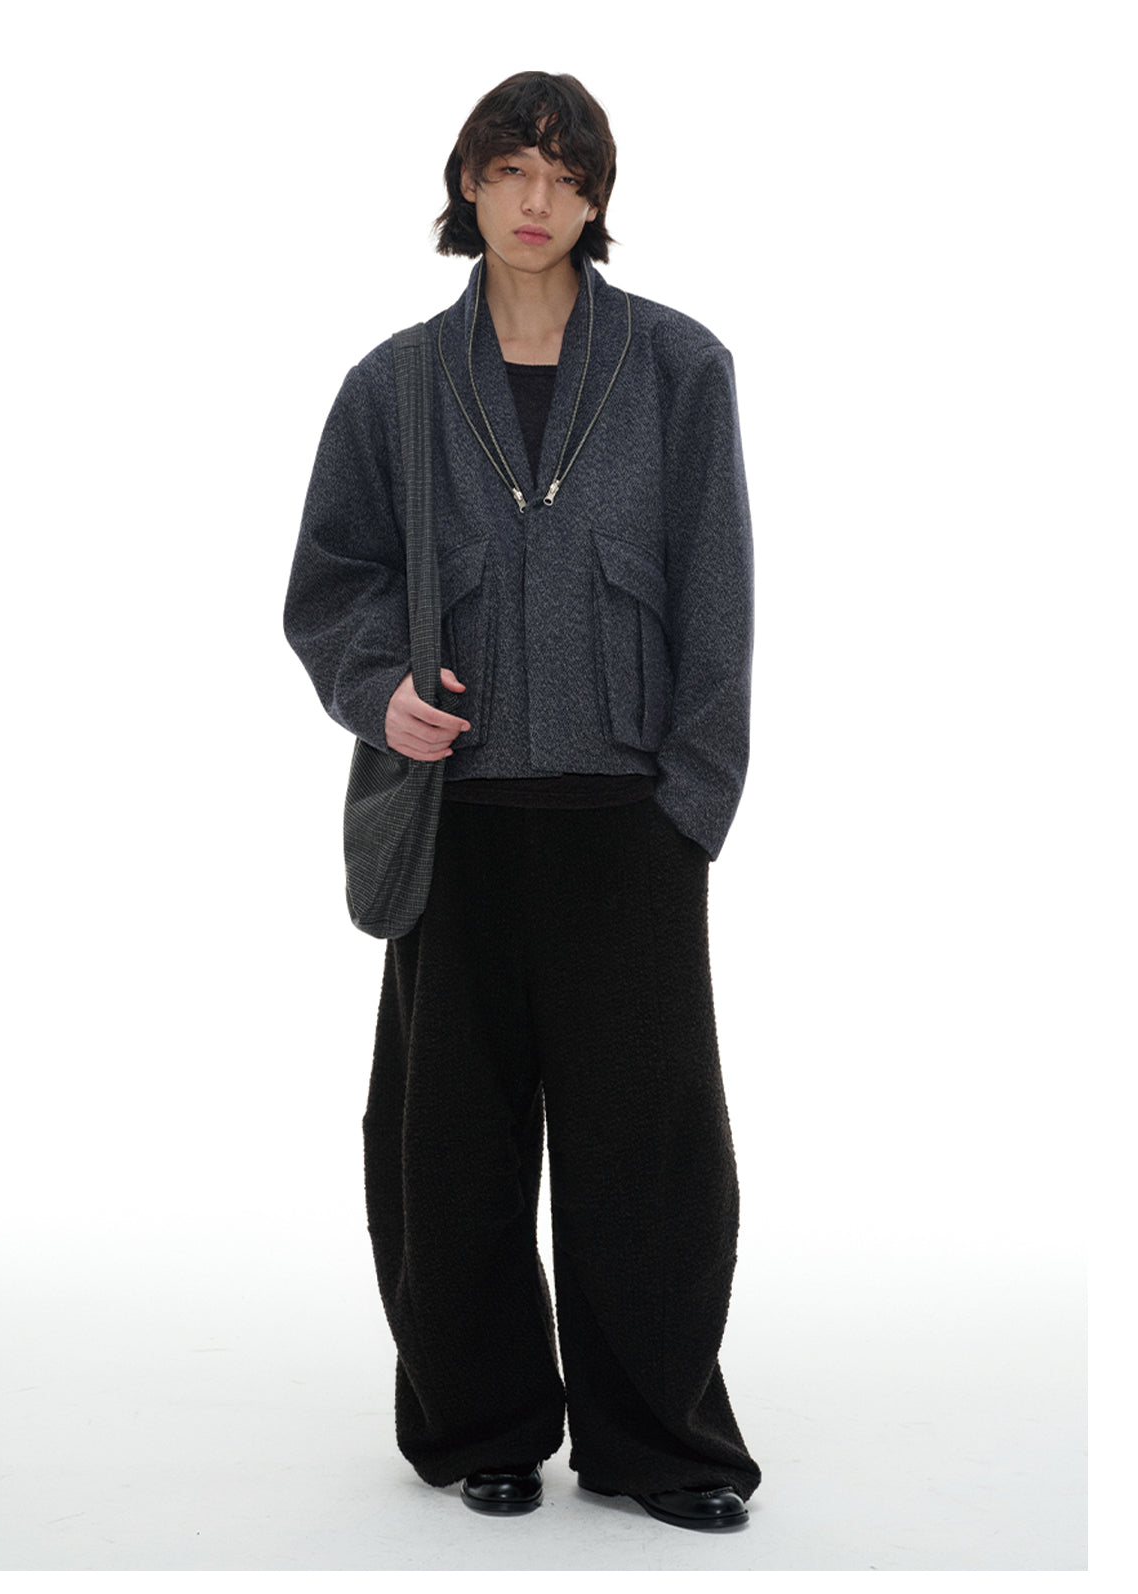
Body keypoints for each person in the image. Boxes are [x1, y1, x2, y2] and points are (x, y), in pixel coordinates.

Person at [283, 71, 760, 1533]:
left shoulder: (680, 369)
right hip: (459, 819)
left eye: (565, 173)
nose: (536, 199)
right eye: (510, 169)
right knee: (450, 1149)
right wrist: (378, 690)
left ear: (596, 196)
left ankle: (657, 1438)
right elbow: (333, 580)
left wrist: (692, 801)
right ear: (469, 186)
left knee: (651, 1152)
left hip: (629, 819)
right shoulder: (393, 385)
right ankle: (481, 1422)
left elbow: (719, 594)